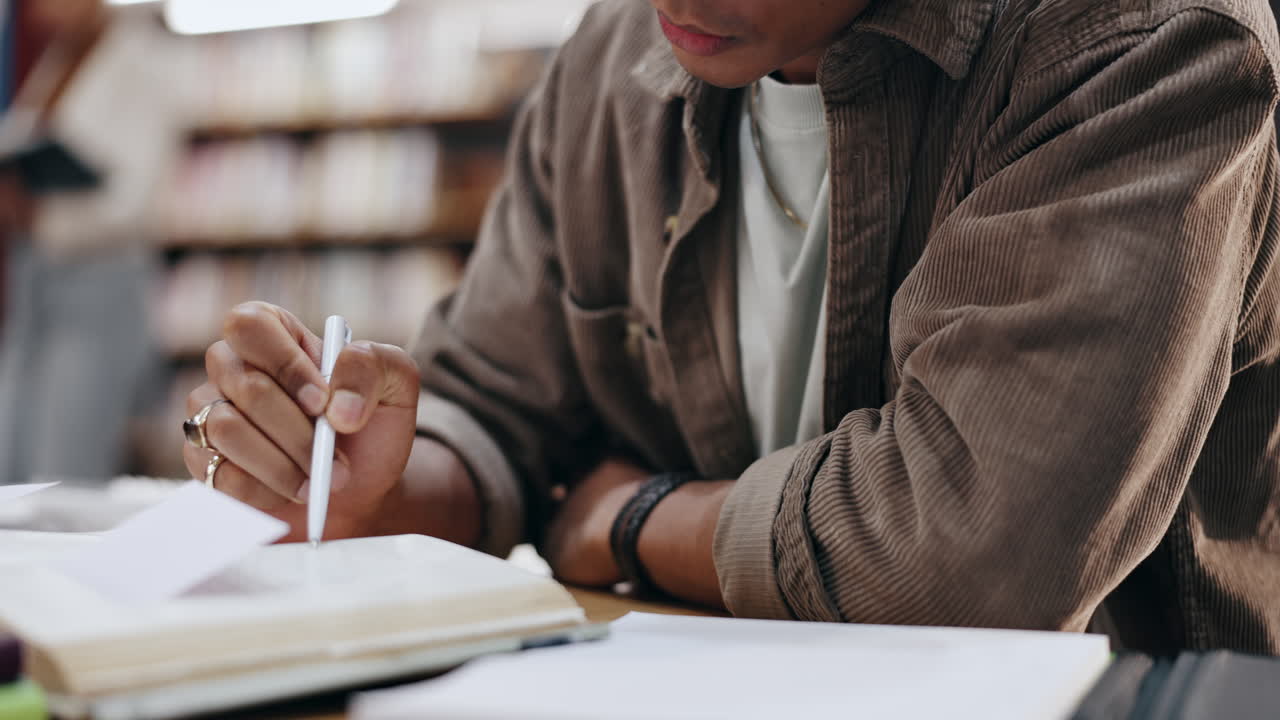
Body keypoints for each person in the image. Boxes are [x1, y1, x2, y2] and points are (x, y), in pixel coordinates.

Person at [185, 0, 1280, 655]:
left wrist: (626, 520)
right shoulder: (613, 59)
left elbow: (965, 564)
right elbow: (498, 411)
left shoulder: (1143, 45)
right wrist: (367, 479)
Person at [0, 0, 183, 484]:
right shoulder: (57, 60)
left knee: (65, 464)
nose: (43, 12)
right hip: (35, 277)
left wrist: (41, 215)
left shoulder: (144, 62)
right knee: (11, 456)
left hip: (100, 279)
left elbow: (135, 202)